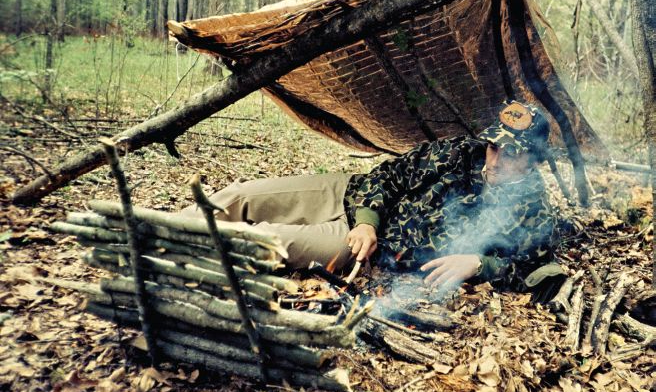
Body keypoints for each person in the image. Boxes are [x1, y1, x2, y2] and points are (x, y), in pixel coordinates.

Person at [177, 100, 562, 295]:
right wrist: (367, 220)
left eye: (511, 152)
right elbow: (389, 175)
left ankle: (161, 241)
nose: (495, 157)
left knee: (266, 240)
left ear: (534, 158)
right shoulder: (460, 152)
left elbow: (534, 273)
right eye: (494, 145)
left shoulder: (535, 211)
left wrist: (479, 263)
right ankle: (153, 226)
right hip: (351, 195)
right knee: (238, 197)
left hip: (364, 247)